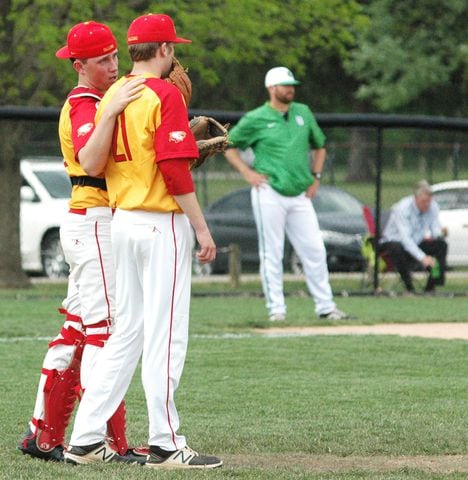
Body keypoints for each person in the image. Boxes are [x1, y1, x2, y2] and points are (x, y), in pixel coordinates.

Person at [63, 13, 222, 469]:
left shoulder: (113, 94)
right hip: (159, 223)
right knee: (166, 333)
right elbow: (173, 169)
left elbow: (97, 161)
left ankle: (87, 438)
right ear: (165, 51)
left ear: (131, 51)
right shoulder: (163, 93)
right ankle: (167, 443)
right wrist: (201, 226)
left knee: (127, 334)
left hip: (122, 221)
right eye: (174, 48)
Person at [18, 21, 146, 463]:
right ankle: (108, 443)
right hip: (95, 222)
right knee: (105, 334)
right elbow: (93, 154)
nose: (113, 66)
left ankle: (43, 434)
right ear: (78, 65)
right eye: (102, 60)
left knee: (77, 330)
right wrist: (112, 112)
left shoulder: (97, 101)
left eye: (115, 57)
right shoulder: (86, 104)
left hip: (90, 220)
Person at [224, 66, 349, 322]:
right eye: (285, 84)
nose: (290, 88)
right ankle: (277, 309)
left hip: (300, 192)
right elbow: (228, 145)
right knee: (272, 251)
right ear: (271, 88)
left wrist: (316, 177)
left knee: (314, 249)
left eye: (292, 84)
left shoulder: (302, 112)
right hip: (269, 190)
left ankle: (326, 306)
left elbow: (320, 146)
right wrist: (247, 173)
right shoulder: (256, 117)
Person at [380, 180, 448, 294]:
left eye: (429, 201)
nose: (427, 204)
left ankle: (430, 288)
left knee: (441, 245)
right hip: (394, 243)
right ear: (415, 198)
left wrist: (441, 233)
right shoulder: (402, 208)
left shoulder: (433, 207)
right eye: (424, 201)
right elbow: (405, 239)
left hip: (416, 243)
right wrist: (422, 257)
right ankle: (409, 288)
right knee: (396, 247)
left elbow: (434, 230)